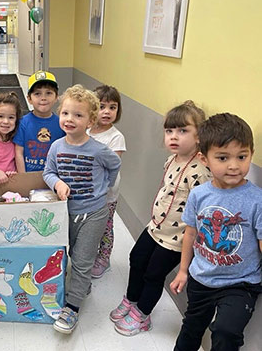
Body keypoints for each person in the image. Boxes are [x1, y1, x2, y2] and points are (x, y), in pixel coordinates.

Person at [110, 101, 212, 336]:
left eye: (183, 131)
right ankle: (132, 299)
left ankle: (142, 314)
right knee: (136, 259)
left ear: (199, 136)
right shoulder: (172, 159)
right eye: (169, 131)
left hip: (176, 237)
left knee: (154, 274)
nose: (174, 136)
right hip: (155, 227)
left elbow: (201, 212)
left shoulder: (200, 171)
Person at [170, 113, 262, 351]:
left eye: (242, 156)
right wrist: (182, 271)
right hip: (202, 277)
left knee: (226, 331)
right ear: (205, 159)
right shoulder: (199, 195)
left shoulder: (256, 200)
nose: (234, 165)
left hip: (240, 283)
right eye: (223, 157)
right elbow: (190, 233)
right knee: (191, 328)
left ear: (251, 153)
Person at [43, 84, 121, 333]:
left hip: (94, 213)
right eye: (66, 113)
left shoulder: (99, 149)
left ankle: (72, 307)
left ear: (91, 120)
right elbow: (48, 172)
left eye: (78, 115)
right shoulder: (56, 146)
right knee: (69, 253)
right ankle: (80, 283)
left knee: (83, 260)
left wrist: (104, 189)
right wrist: (57, 183)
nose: (70, 119)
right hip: (65, 212)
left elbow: (115, 165)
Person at [88, 84, 126, 278]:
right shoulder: (85, 130)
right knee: (88, 225)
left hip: (106, 193)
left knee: (105, 226)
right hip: (86, 191)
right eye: (102, 106)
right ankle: (88, 254)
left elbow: (113, 164)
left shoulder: (116, 137)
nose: (107, 112)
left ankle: (104, 257)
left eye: (112, 107)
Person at [14, 70, 65, 172]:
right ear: (29, 99)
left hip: (54, 177)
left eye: (48, 93)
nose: (43, 98)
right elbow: (18, 152)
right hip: (29, 176)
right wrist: (23, 177)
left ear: (56, 97)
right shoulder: (23, 123)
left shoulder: (61, 124)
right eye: (37, 94)